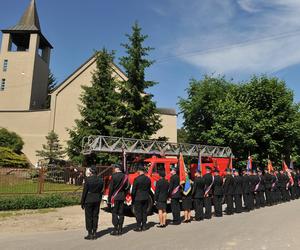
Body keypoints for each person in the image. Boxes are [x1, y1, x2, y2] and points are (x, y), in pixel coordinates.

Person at [81, 166, 104, 240]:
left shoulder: (88, 179)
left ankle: (90, 233)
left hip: (89, 199)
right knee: (95, 216)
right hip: (97, 199)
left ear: (91, 172)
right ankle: (94, 232)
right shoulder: (101, 180)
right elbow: (101, 191)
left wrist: (82, 202)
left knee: (88, 217)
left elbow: (84, 192)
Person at [108, 164, 129, 236]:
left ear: (117, 168)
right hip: (122, 196)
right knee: (121, 213)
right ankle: (120, 229)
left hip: (115, 196)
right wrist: (125, 194)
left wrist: (109, 198)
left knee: (114, 213)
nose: (114, 169)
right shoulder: (125, 176)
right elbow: (127, 187)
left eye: (115, 168)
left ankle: (115, 229)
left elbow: (111, 188)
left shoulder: (113, 176)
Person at [131, 164, 151, 232]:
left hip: (138, 197)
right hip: (146, 197)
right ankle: (144, 226)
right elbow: (149, 189)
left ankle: (138, 226)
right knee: (144, 212)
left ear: (139, 171)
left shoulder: (136, 179)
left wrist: (132, 198)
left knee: (138, 212)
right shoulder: (148, 179)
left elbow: (133, 190)